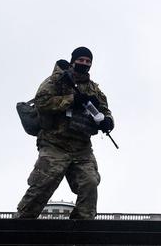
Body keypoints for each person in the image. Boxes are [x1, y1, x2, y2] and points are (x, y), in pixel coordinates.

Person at [16, 47, 114, 219]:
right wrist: (71, 100)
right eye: (81, 60)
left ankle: (82, 226)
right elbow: (42, 102)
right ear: (73, 61)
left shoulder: (94, 89)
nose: (84, 63)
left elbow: (105, 110)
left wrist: (107, 121)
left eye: (88, 61)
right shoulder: (56, 81)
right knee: (42, 184)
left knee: (89, 183)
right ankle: (21, 222)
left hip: (82, 147)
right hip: (55, 143)